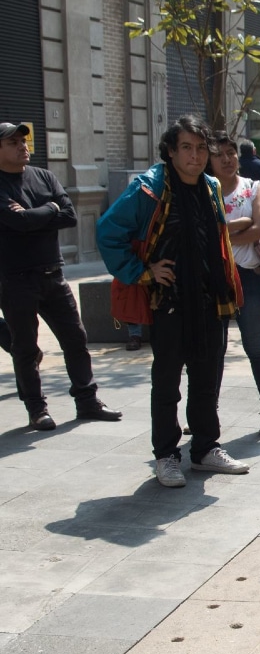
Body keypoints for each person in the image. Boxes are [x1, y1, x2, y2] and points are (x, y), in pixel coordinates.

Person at [97, 115, 248, 487]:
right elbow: (108, 232)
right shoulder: (149, 188)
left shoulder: (210, 186)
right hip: (169, 301)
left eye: (200, 148)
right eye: (186, 148)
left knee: (207, 376)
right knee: (167, 380)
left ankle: (205, 448)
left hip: (209, 299)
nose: (195, 156)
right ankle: (166, 455)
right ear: (170, 151)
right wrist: (143, 271)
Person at [0, 121, 122, 430]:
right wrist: (49, 209)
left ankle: (87, 400)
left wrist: (42, 211)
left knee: (76, 338)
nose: (22, 146)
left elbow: (69, 215)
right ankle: (36, 409)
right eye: (12, 142)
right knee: (25, 347)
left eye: (22, 141)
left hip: (53, 274)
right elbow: (20, 224)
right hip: (15, 279)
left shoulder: (44, 177)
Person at [207, 131, 260, 436]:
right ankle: (206, 411)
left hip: (247, 277)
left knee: (256, 346)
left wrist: (219, 234)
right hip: (212, 280)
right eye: (220, 154)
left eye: (231, 152)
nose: (227, 159)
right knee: (212, 349)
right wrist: (238, 228)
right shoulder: (203, 190)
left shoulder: (251, 188)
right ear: (210, 159)